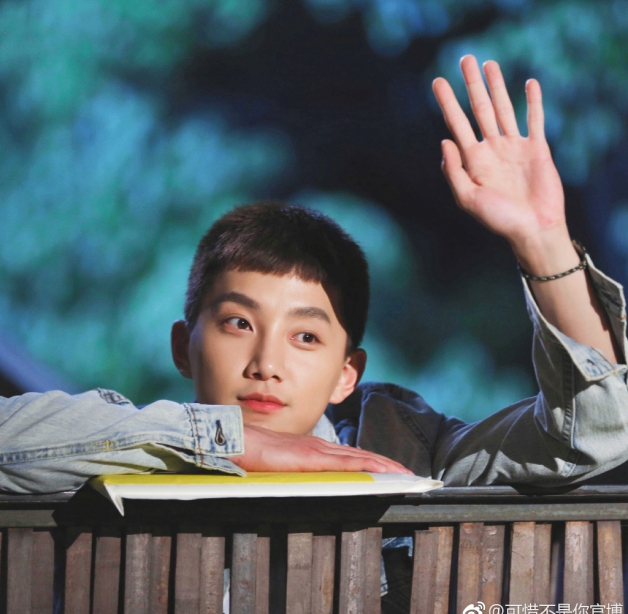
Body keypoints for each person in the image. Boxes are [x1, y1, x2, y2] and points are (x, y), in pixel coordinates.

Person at [0, 56, 626, 498]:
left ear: (346, 373)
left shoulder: (402, 451)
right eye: (238, 323)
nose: (266, 365)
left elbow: (594, 434)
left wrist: (543, 240)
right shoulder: (131, 446)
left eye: (305, 337)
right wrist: (232, 444)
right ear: (182, 346)